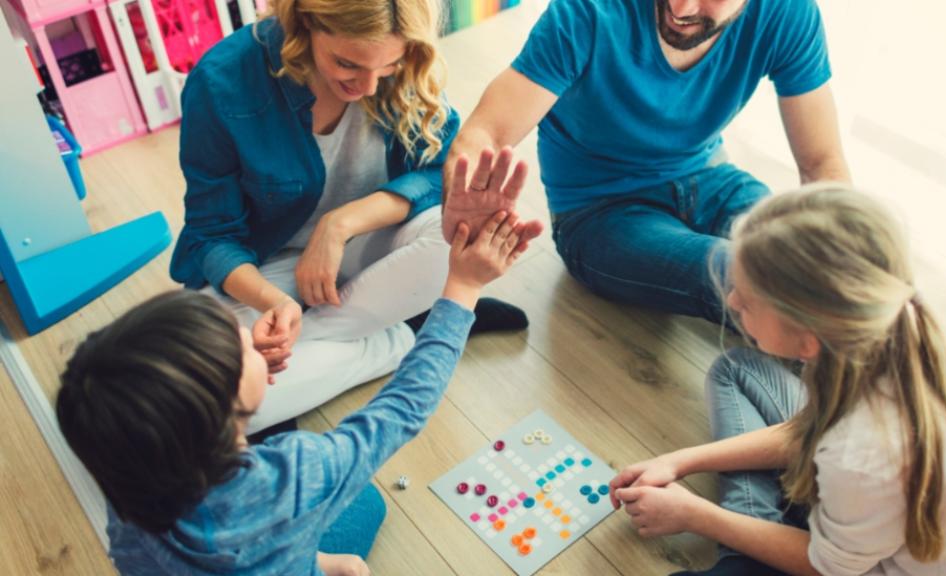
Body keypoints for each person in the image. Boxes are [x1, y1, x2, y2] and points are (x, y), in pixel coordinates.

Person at [57, 211, 529, 575]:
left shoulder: (127, 492)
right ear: (228, 409)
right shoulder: (298, 473)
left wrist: (315, 561)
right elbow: (404, 405)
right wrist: (463, 288)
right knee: (367, 502)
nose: (247, 335)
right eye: (238, 344)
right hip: (284, 512)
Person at [169, 0, 539, 435]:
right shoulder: (222, 82)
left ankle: (337, 348)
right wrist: (277, 304)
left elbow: (437, 166)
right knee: (197, 402)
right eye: (346, 64)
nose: (366, 86)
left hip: (370, 246)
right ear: (303, 23)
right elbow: (212, 235)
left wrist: (340, 224)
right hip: (266, 265)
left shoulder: (403, 65)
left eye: (387, 66)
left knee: (452, 241)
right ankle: (408, 334)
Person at [609, 185, 946, 575]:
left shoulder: (860, 454)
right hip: (861, 507)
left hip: (864, 566)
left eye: (747, 299)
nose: (733, 301)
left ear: (808, 339)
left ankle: (747, 556)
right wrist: (679, 461)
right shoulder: (884, 328)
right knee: (738, 369)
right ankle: (754, 542)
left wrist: (695, 515)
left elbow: (828, 568)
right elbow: (807, 430)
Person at [442, 0, 851, 325]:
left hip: (712, 178)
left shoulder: (789, 12)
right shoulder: (586, 11)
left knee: (811, 264)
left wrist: (850, 253)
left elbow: (821, 164)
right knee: (751, 276)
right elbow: (488, 132)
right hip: (600, 213)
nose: (682, 7)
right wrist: (462, 192)